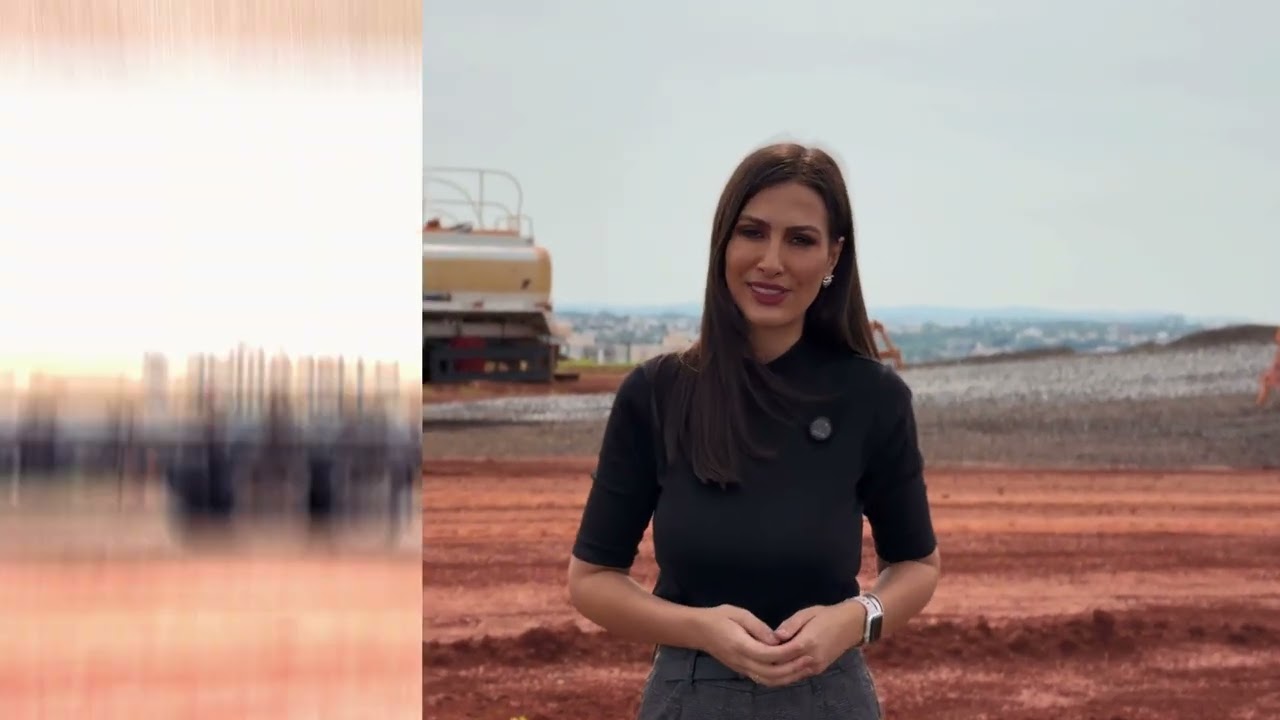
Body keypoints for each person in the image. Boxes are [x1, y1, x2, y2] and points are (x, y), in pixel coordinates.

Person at [567, 142, 941, 719]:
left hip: (829, 697)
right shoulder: (656, 394)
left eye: (800, 239)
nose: (771, 260)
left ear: (833, 256)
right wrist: (702, 630)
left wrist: (853, 619)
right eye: (752, 232)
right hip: (689, 695)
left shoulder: (874, 399)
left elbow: (916, 566)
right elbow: (592, 580)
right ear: (724, 243)